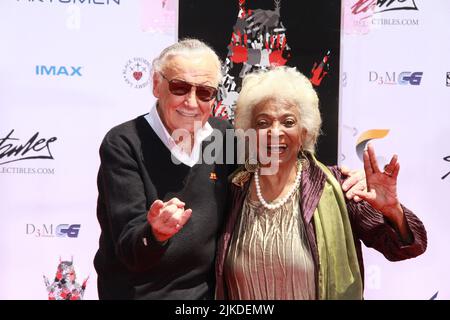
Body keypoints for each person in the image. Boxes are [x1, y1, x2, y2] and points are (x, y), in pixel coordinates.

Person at [94, 39, 367, 300]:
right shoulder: (125, 142)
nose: (191, 102)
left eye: (204, 92)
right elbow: (130, 250)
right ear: (156, 84)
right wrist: (155, 234)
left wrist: (344, 177)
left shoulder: (225, 138)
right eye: (179, 87)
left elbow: (280, 158)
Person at [215, 66, 427, 300]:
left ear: (305, 131)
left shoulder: (337, 186)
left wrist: (393, 211)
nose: (275, 133)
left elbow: (404, 246)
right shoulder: (233, 189)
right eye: (263, 123)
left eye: (288, 122)